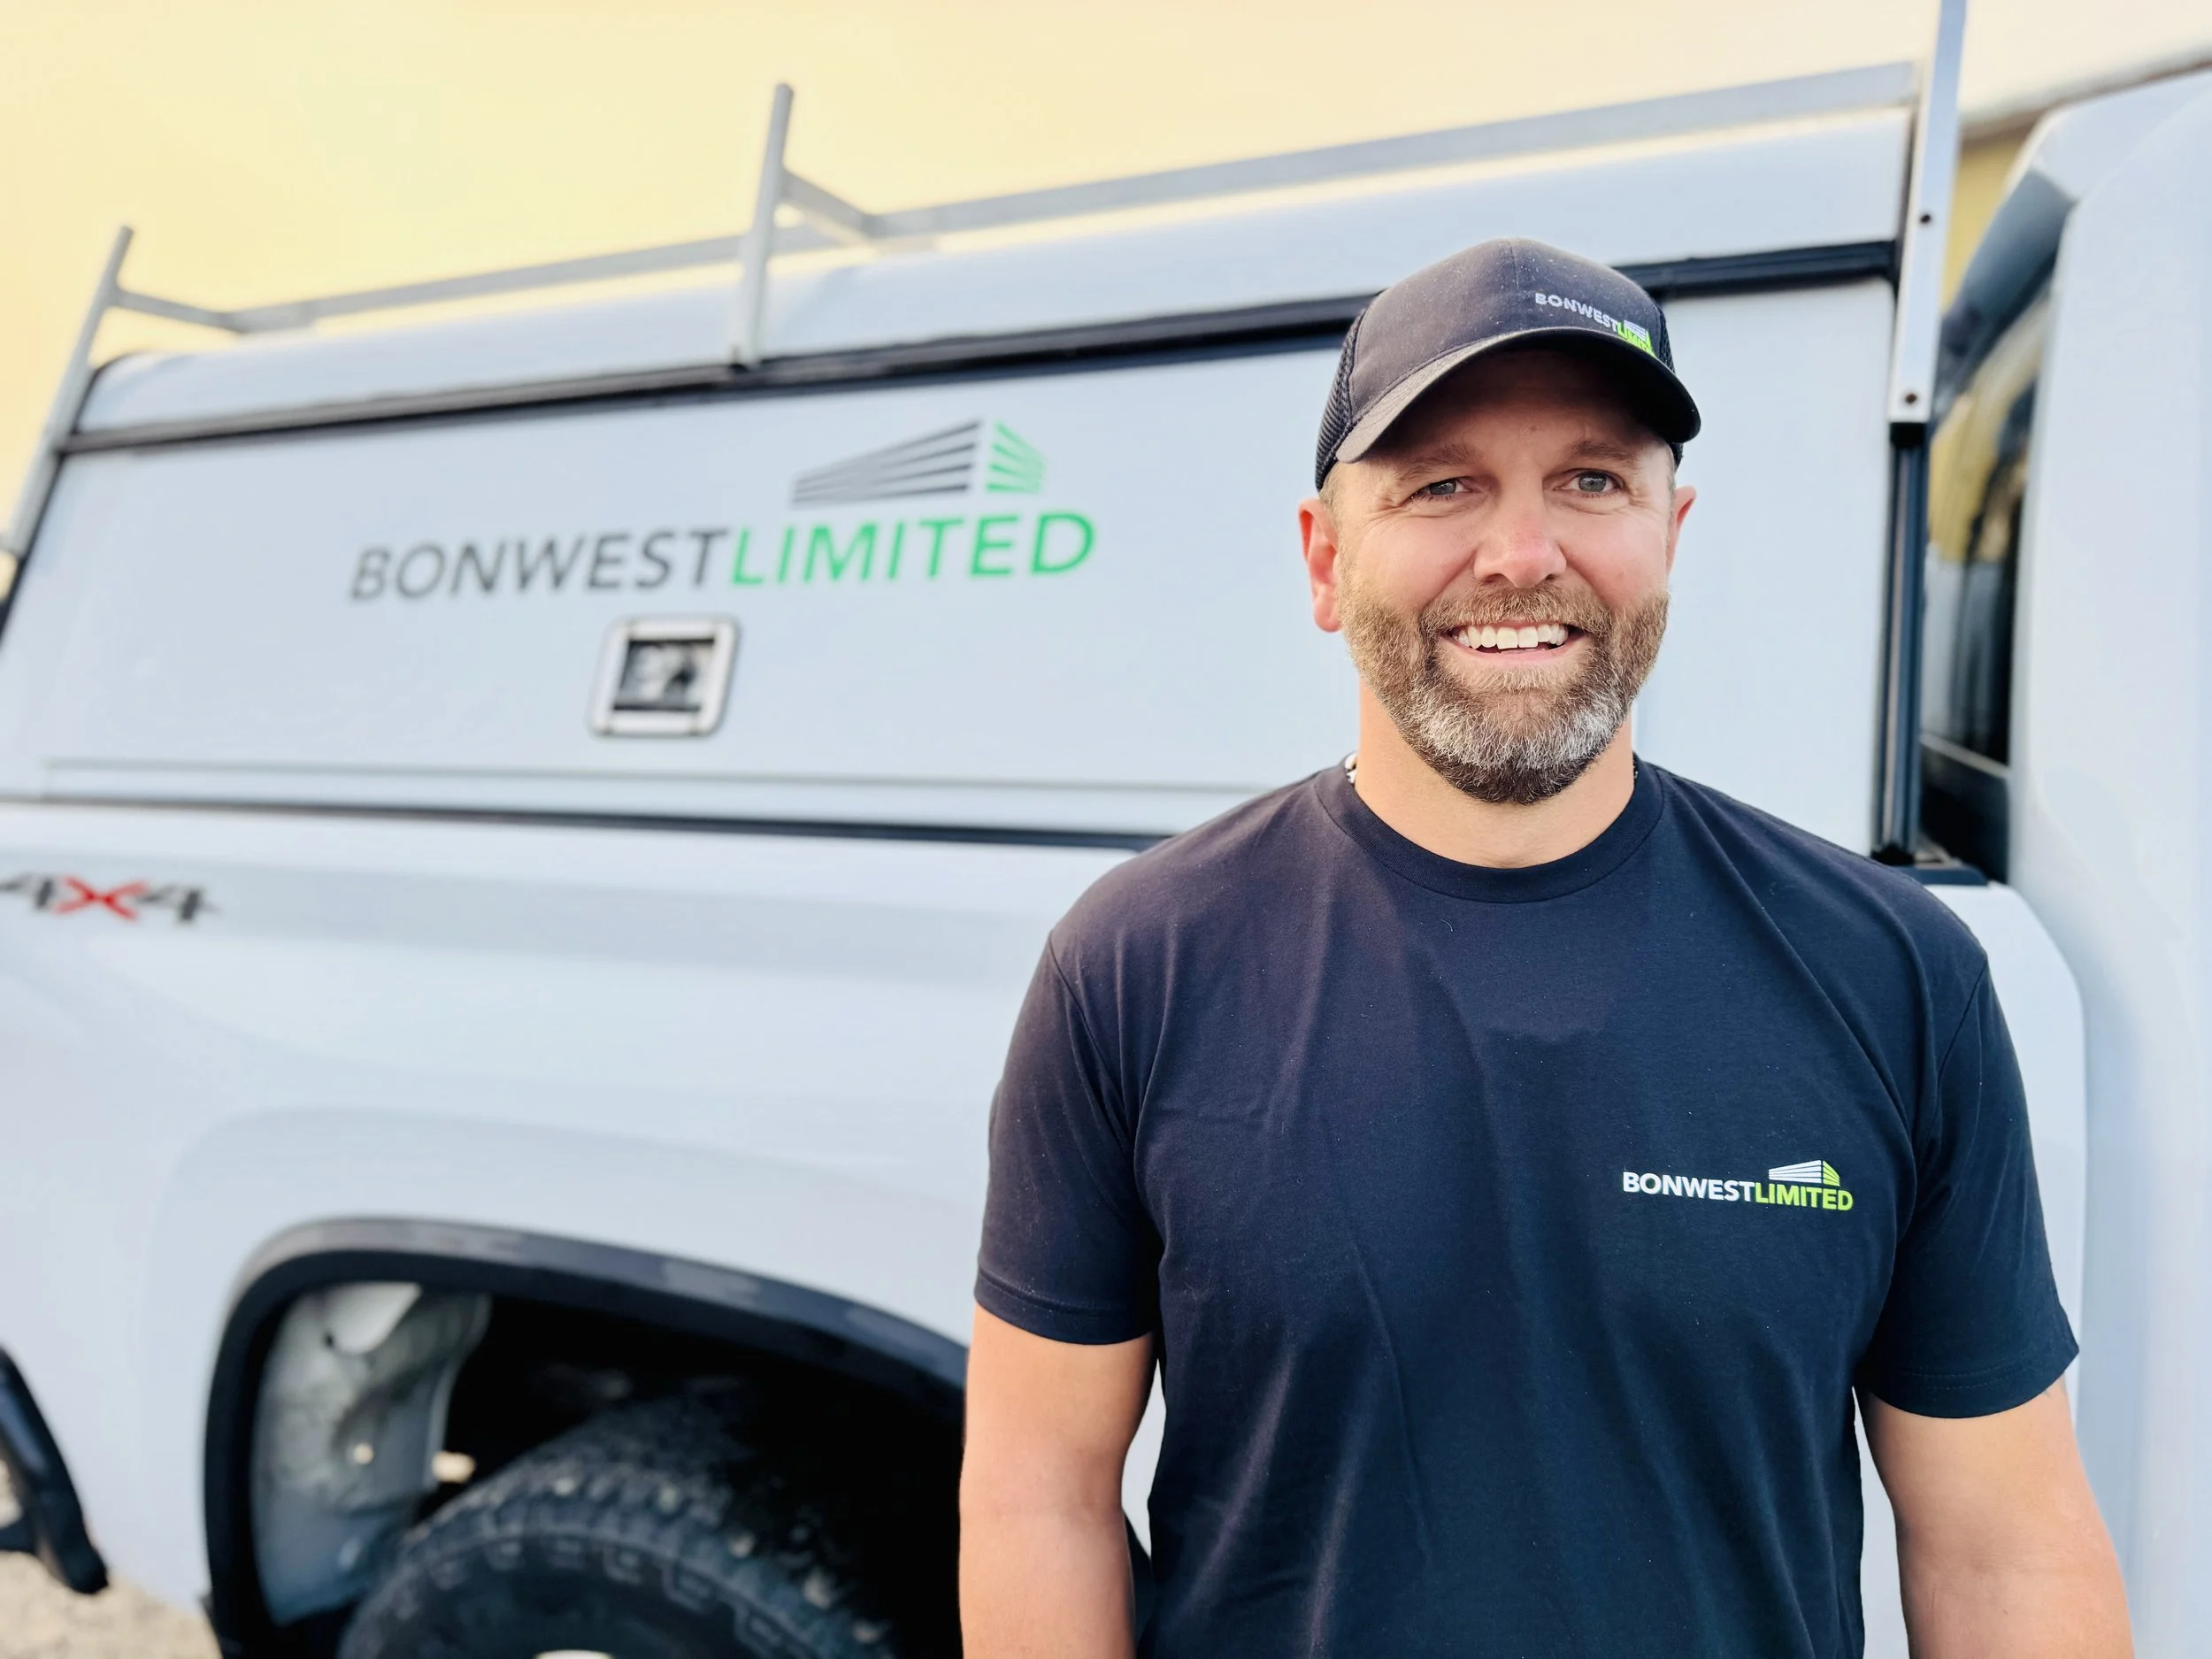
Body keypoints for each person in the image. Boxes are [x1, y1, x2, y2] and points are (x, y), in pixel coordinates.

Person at [957, 238, 2129, 1657]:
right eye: (1442, 485)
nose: (1522, 556)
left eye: (1591, 480)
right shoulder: (1136, 969)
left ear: (1670, 533)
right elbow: (1038, 1498)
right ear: (1326, 558)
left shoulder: (1895, 978)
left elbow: (2005, 1552)